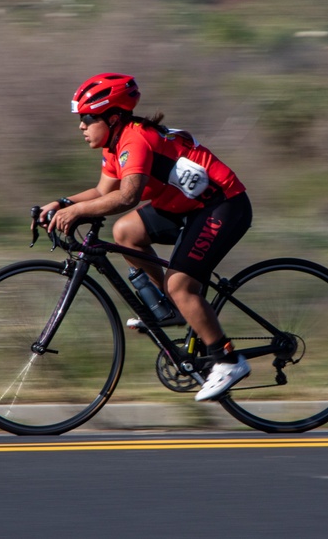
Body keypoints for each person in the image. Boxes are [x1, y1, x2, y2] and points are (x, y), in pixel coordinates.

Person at [36, 72, 253, 401]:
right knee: (125, 231)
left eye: (87, 118)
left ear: (112, 117)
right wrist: (64, 203)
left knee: (181, 284)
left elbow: (127, 197)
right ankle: (172, 308)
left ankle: (227, 358)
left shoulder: (135, 140)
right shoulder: (115, 145)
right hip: (187, 206)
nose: (81, 125)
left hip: (223, 205)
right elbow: (101, 191)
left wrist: (78, 213)